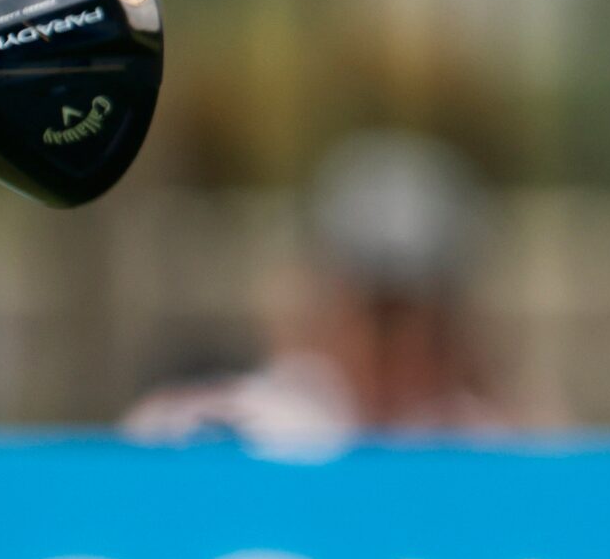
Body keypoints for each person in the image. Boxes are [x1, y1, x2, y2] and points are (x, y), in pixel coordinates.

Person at [123, 131, 511, 450]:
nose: (407, 344)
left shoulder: (487, 440)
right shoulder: (254, 423)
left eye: (428, 318)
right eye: (382, 316)